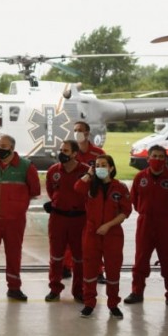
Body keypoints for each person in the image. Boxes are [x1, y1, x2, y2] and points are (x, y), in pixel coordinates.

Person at [0, 134, 40, 301]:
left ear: (12, 148)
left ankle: (14, 287)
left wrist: (16, 205)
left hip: (14, 220)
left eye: (4, 146)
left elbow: (35, 190)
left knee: (14, 253)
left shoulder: (26, 166)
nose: (0, 148)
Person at [125, 145, 168, 309]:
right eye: (155, 156)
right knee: (141, 259)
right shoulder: (140, 177)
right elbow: (135, 200)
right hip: (145, 222)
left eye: (161, 157)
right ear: (148, 158)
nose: (158, 159)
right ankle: (137, 292)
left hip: (167, 224)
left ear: (165, 159)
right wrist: (146, 212)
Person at [74, 155, 131, 319]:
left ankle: (113, 304)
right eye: (97, 165)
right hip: (91, 234)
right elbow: (77, 188)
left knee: (113, 271)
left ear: (111, 168)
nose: (100, 167)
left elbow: (126, 211)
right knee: (90, 270)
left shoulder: (119, 187)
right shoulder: (90, 186)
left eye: (103, 165)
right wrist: (89, 174)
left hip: (112, 234)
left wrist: (108, 225)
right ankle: (89, 304)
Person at [43, 140, 89, 303]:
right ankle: (54, 288)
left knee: (79, 257)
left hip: (79, 219)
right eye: (61, 150)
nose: (62, 153)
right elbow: (51, 190)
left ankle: (78, 290)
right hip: (58, 218)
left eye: (66, 150)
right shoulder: (53, 171)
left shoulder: (86, 171)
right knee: (56, 256)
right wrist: (58, 202)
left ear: (75, 154)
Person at [70, 121, 106, 282]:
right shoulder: (70, 152)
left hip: (91, 203)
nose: (77, 133)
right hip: (73, 202)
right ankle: (67, 266)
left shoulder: (98, 153)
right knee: (70, 238)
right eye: (75, 130)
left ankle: (98, 271)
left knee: (94, 240)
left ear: (87, 133)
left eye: (80, 130)